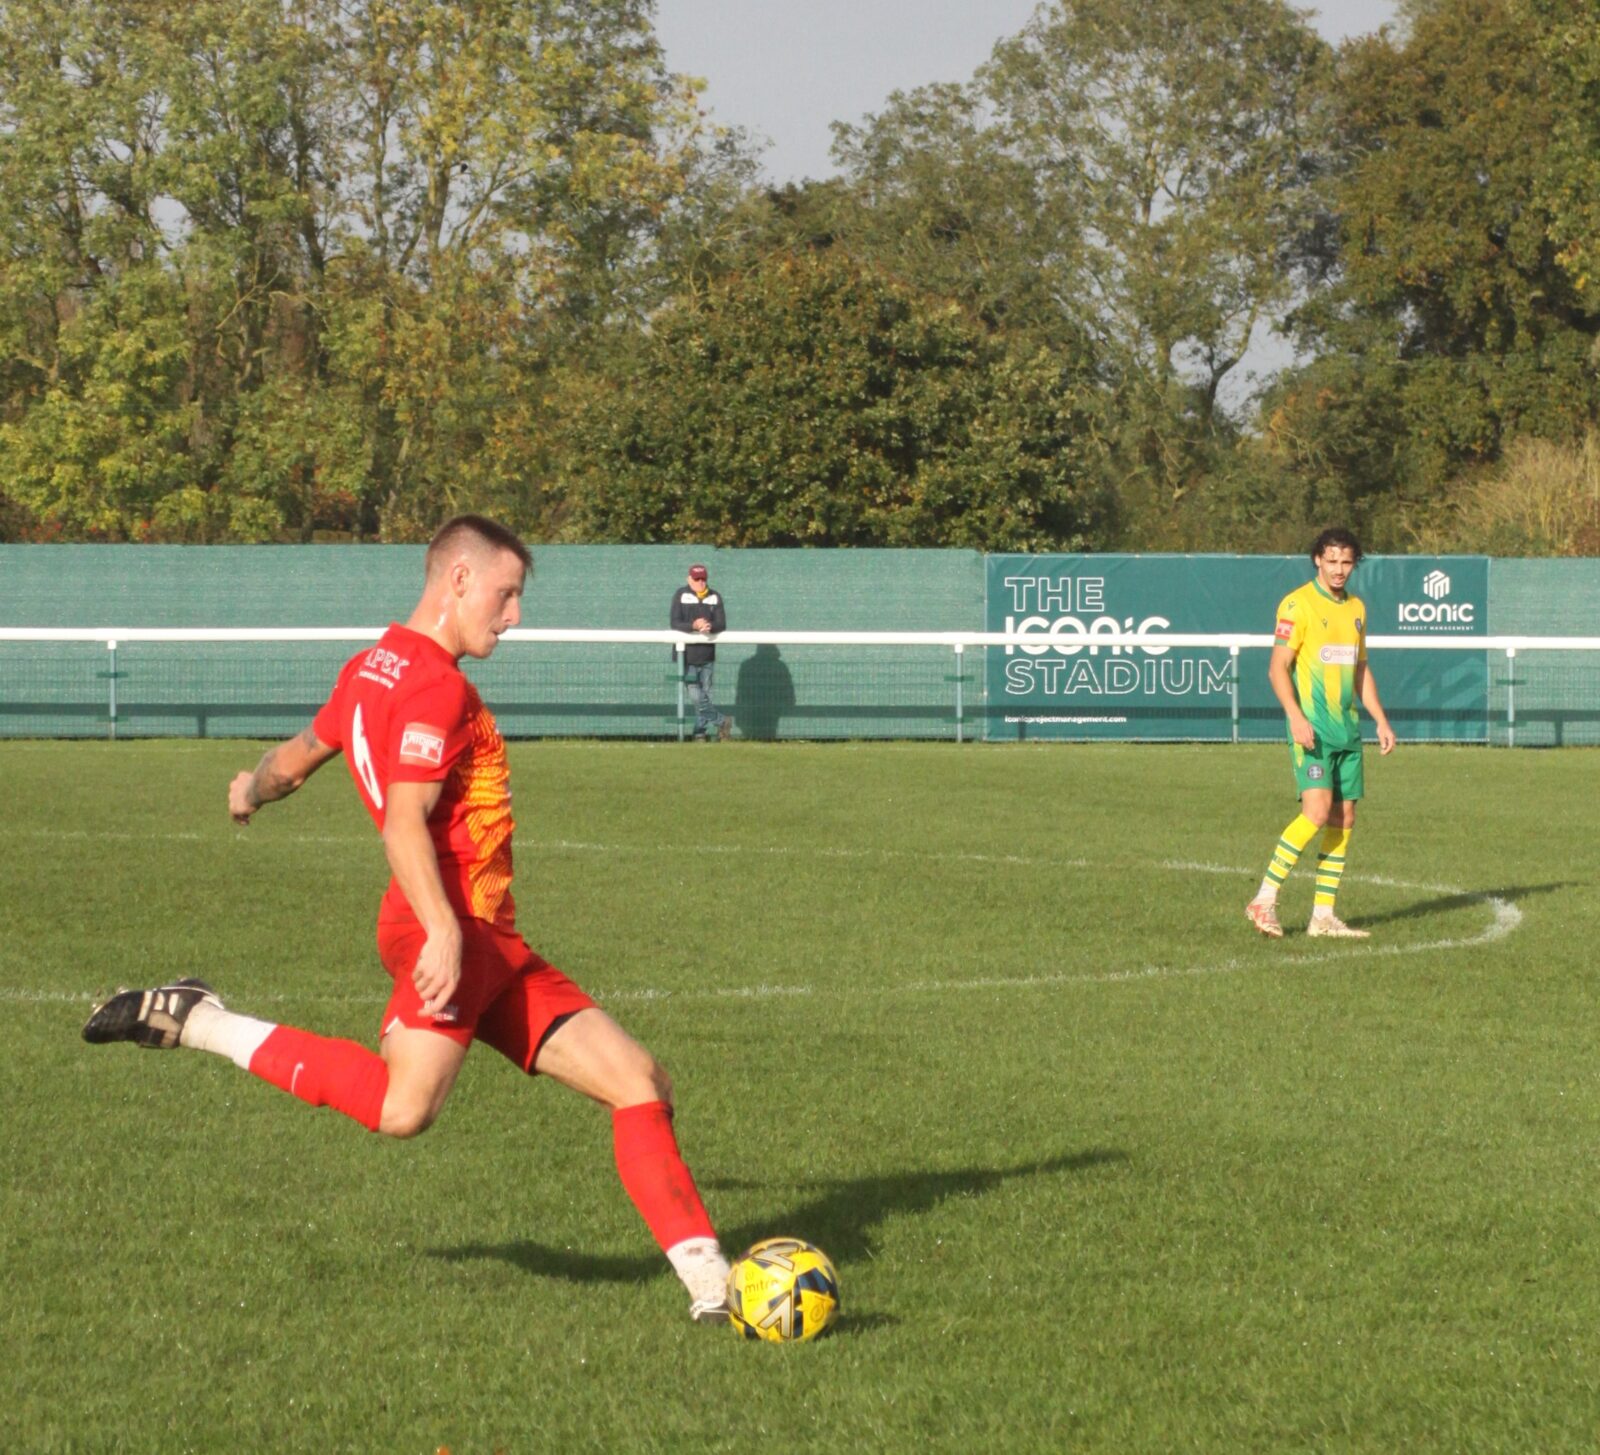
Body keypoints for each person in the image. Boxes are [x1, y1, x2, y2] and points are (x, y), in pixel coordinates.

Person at [83, 515, 733, 1323]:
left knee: (640, 1082)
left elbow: (297, 758)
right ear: (458, 580)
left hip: (485, 933)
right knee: (402, 1108)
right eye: (506, 595)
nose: (514, 616)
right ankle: (198, 1018)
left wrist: (249, 788)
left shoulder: (371, 666)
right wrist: (446, 931)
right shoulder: (437, 685)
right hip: (447, 925)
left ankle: (713, 1284)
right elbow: (402, 819)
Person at [1245, 526, 1397, 939]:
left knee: (1344, 816)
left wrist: (1380, 719)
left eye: (1346, 562)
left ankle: (1323, 917)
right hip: (1312, 729)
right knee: (1315, 812)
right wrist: (1294, 715)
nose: (1339, 569)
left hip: (1347, 732)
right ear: (1318, 560)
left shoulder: (1357, 609)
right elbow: (1277, 668)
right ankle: (1264, 899)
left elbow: (1360, 670)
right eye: (1331, 561)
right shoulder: (1297, 604)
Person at [670, 563, 730, 741]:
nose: (701, 582)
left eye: (703, 578)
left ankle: (699, 733)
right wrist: (693, 626)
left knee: (705, 696)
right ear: (689, 579)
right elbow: (675, 622)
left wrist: (710, 627)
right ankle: (721, 721)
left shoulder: (715, 597)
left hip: (707, 655)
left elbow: (722, 624)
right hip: (686, 656)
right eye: (697, 579)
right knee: (697, 696)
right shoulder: (681, 595)